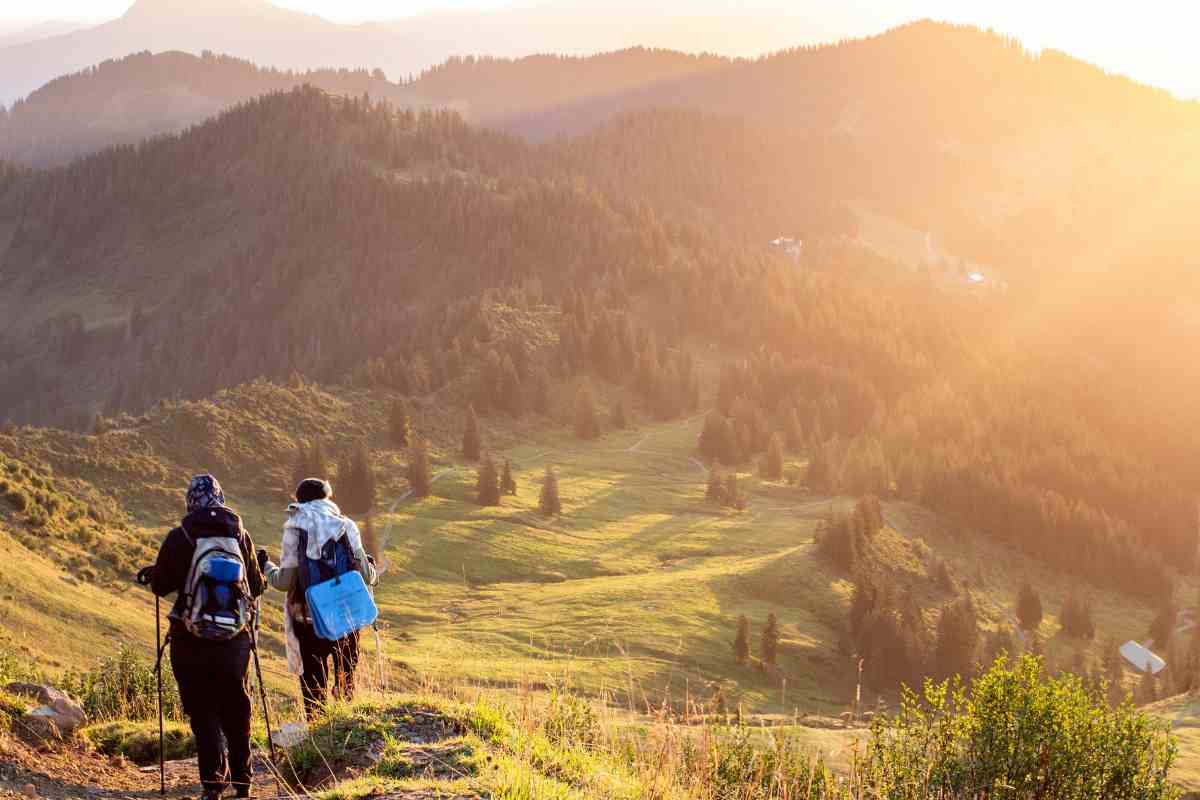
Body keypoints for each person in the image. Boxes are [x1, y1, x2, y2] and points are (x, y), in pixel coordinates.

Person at [147, 475, 265, 800]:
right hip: (235, 640)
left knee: (202, 710)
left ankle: (213, 785)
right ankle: (243, 782)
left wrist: (153, 574)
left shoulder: (180, 536)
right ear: (220, 499)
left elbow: (161, 586)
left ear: (190, 502)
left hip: (190, 638)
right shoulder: (240, 535)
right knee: (236, 706)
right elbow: (255, 587)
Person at [262, 478, 377, 720]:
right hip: (346, 617)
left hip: (308, 619)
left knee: (314, 688)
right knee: (346, 683)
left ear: (299, 501)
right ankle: (347, 728)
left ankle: (317, 730)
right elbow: (367, 576)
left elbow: (284, 582)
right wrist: (372, 568)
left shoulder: (295, 528)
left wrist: (266, 567)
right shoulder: (346, 525)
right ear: (327, 498)